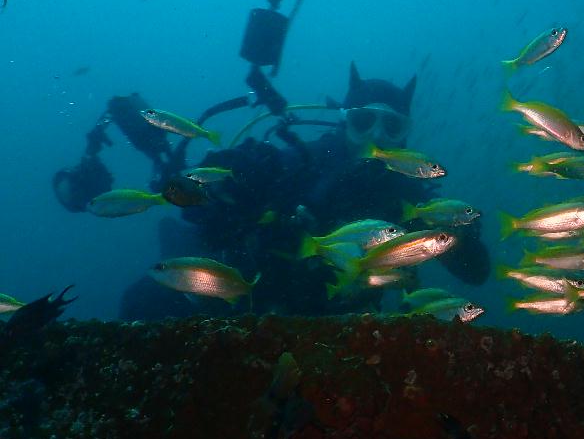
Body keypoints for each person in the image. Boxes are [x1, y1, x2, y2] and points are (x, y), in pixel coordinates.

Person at [60, 64, 489, 321]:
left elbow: (477, 273)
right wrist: (235, 179)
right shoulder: (298, 161)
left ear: (405, 135)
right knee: (142, 300)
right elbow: (207, 209)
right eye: (363, 120)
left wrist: (459, 233)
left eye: (392, 125)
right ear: (344, 120)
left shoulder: (414, 197)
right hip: (247, 296)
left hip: (332, 321)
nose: (375, 134)